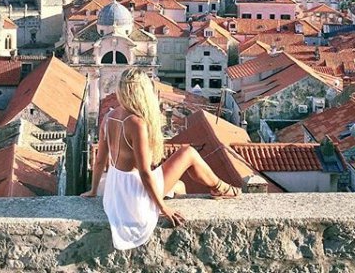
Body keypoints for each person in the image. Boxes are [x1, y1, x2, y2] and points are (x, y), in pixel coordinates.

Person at [81, 68, 241, 251]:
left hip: (115, 193)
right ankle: (222, 188)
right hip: (135, 196)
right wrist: (163, 208)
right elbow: (144, 174)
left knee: (179, 186)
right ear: (143, 92)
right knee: (187, 153)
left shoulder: (109, 117)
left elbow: (100, 160)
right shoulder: (136, 123)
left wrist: (93, 191)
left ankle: (217, 188)